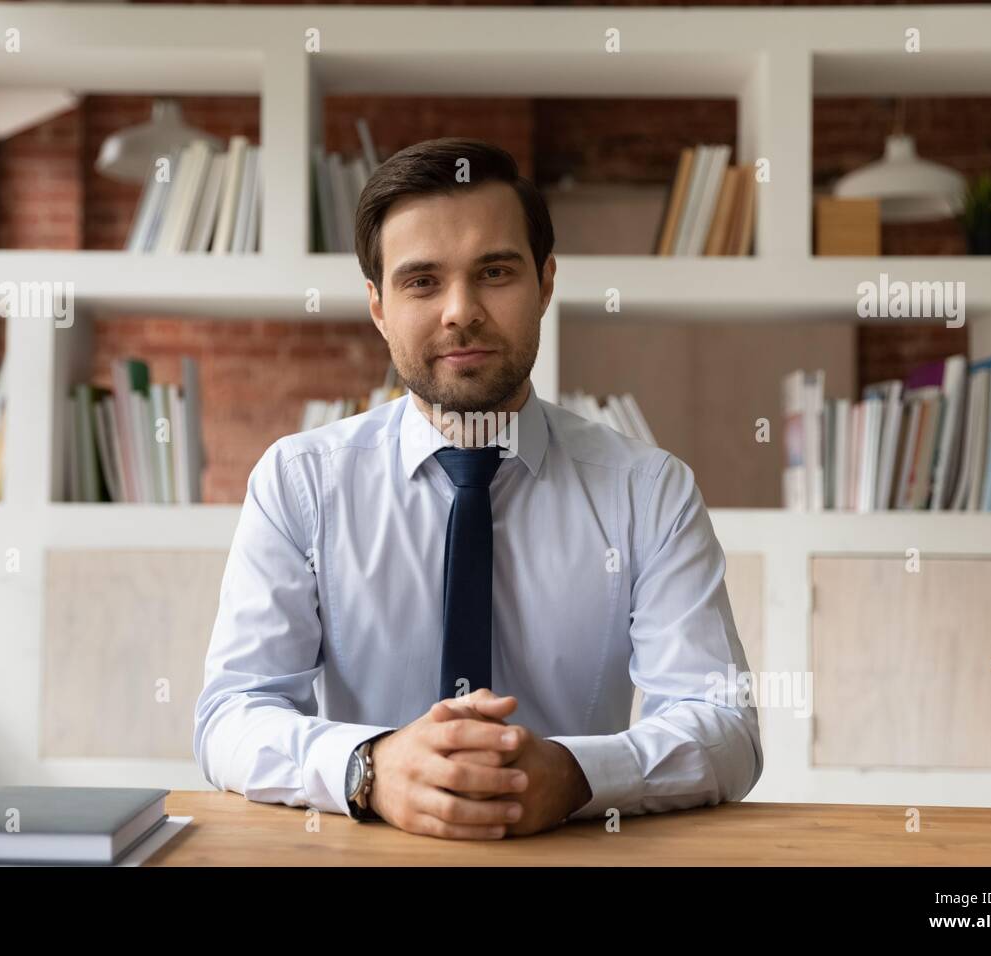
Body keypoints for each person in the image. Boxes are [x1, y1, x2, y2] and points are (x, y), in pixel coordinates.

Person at [194, 137, 762, 840]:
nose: (459, 310)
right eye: (422, 281)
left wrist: (577, 775)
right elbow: (232, 713)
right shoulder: (299, 484)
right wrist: (369, 767)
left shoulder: (649, 493)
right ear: (377, 306)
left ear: (546, 283)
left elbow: (726, 724)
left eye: (494, 272)